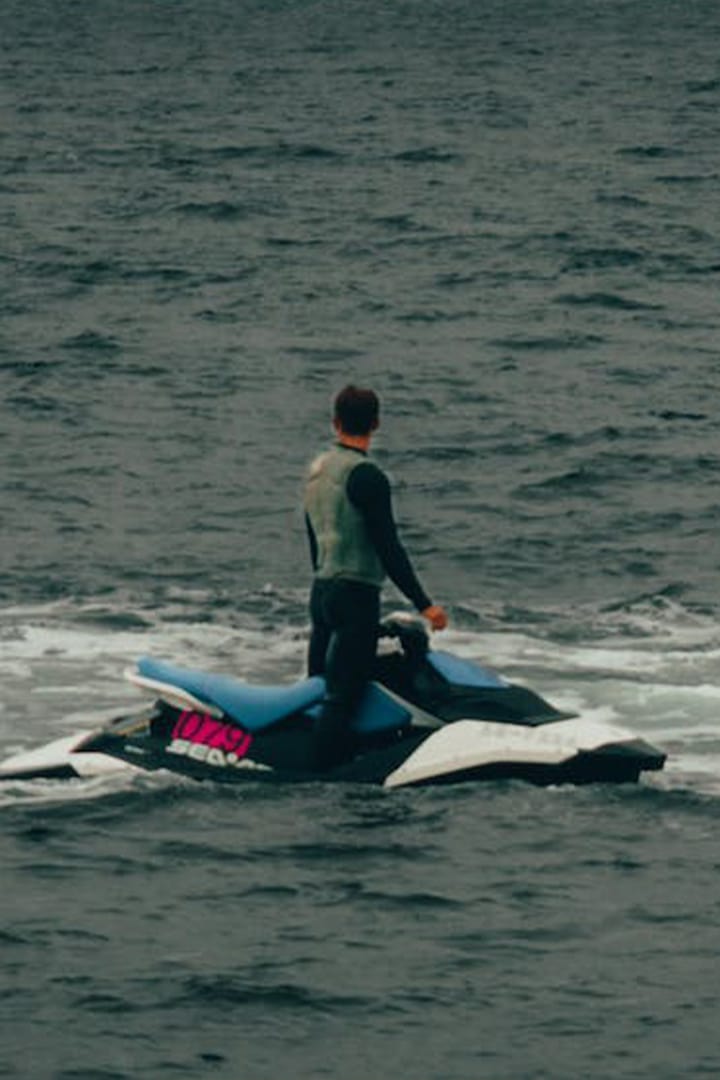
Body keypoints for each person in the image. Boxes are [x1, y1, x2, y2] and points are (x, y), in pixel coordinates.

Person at [303, 384, 448, 770]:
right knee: (341, 696)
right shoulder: (367, 476)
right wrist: (425, 605)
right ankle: (323, 778)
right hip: (356, 595)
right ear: (376, 423)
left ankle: (302, 757)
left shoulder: (317, 472)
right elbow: (389, 547)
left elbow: (314, 539)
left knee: (320, 686)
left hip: (322, 591)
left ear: (335, 422)